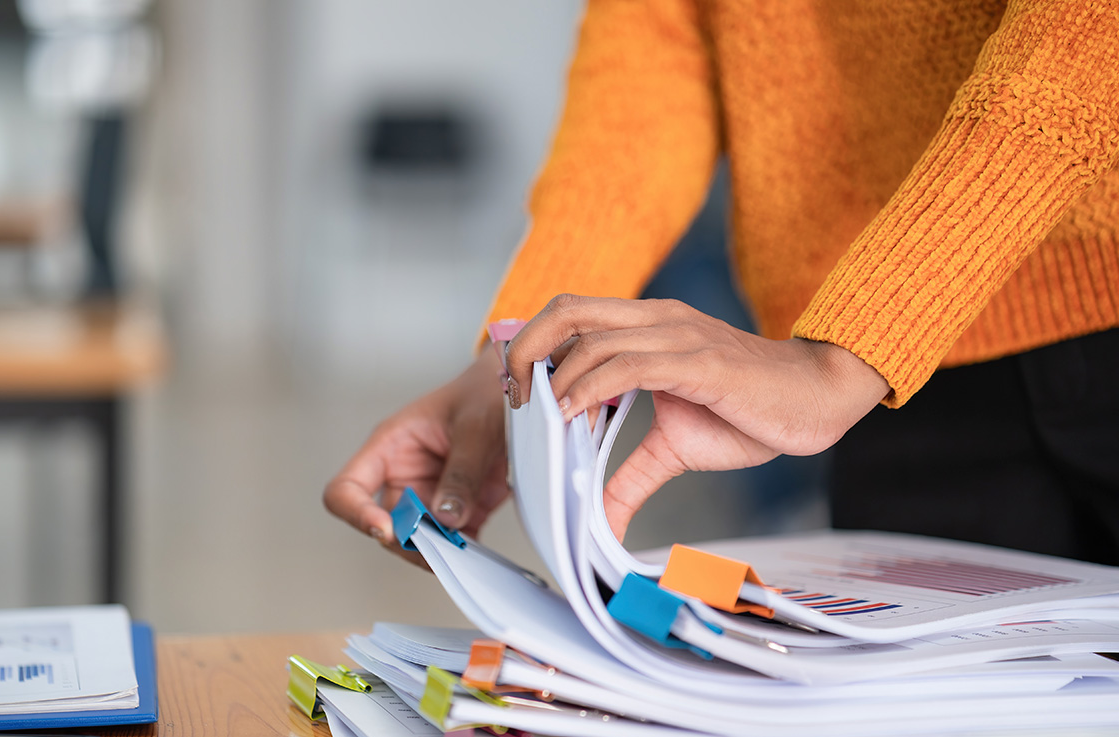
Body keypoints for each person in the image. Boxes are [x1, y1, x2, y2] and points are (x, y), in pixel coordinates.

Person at [325, 0, 1119, 566]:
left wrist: (856, 345)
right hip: (895, 378)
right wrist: (520, 355)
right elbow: (655, 42)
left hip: (908, 335)